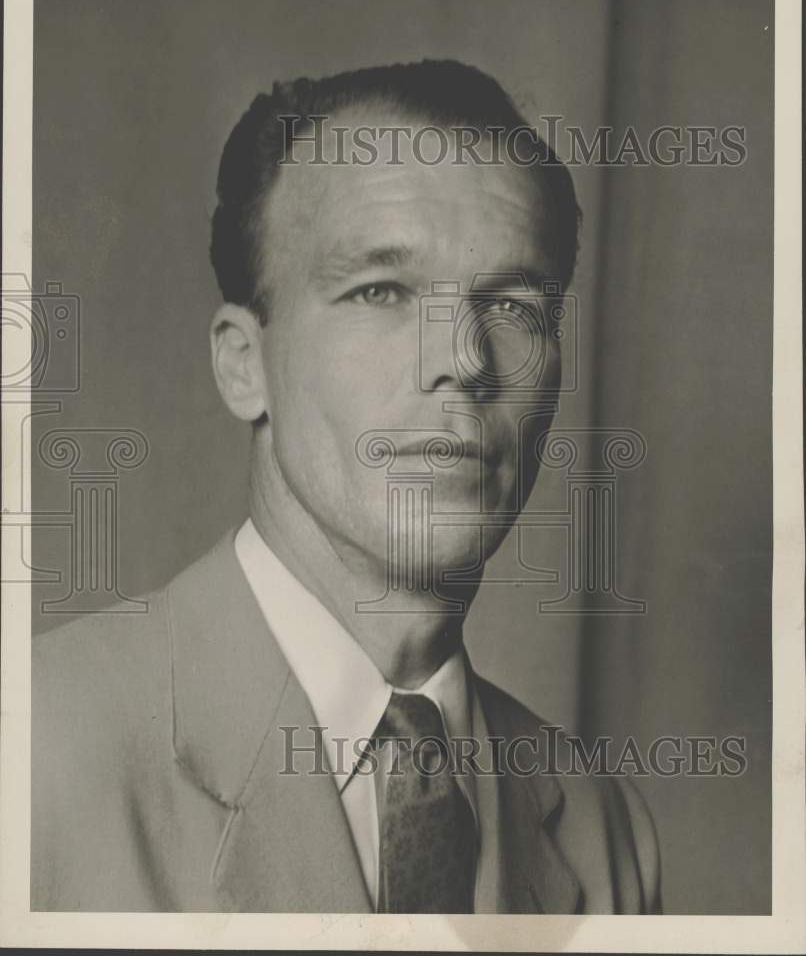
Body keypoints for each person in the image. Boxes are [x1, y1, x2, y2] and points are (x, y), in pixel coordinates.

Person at [32, 60, 661, 913]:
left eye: (514, 307)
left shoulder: (603, 827)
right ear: (243, 365)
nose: (463, 361)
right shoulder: (33, 749)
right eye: (381, 292)